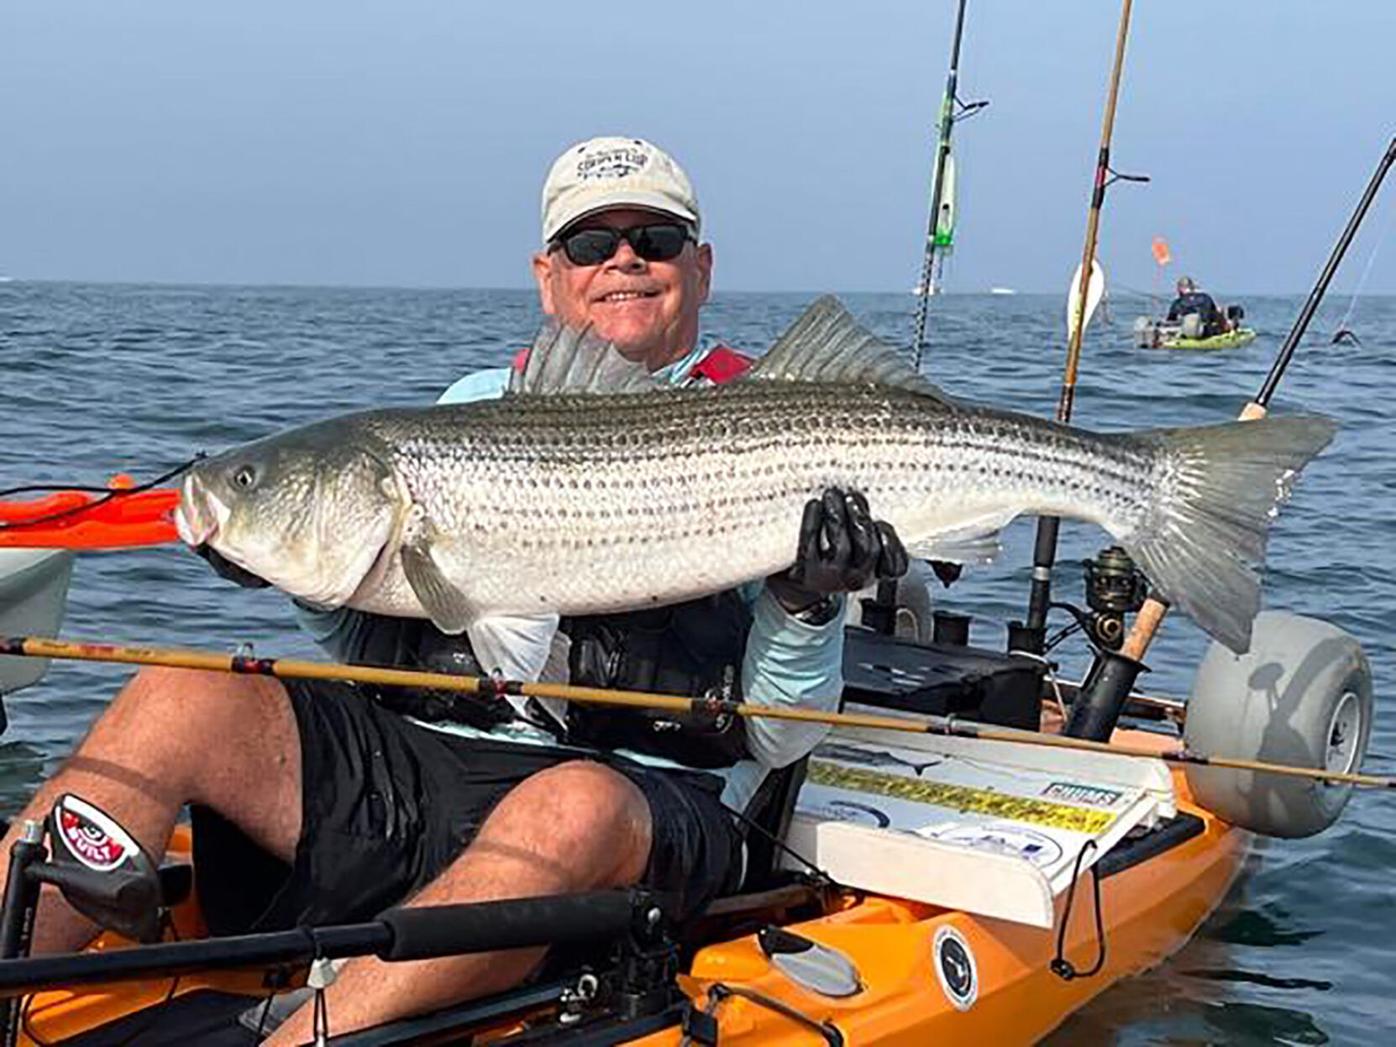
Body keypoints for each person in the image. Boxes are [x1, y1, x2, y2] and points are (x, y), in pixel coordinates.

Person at [0, 136, 907, 1042]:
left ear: (700, 270)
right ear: (549, 276)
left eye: (655, 240)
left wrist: (807, 603)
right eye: (591, 245)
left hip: (640, 806)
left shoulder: (791, 434)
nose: (623, 260)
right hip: (425, 773)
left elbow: (783, 736)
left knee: (573, 800)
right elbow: (377, 648)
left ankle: (300, 1035)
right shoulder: (468, 405)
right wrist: (304, 575)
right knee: (179, 693)